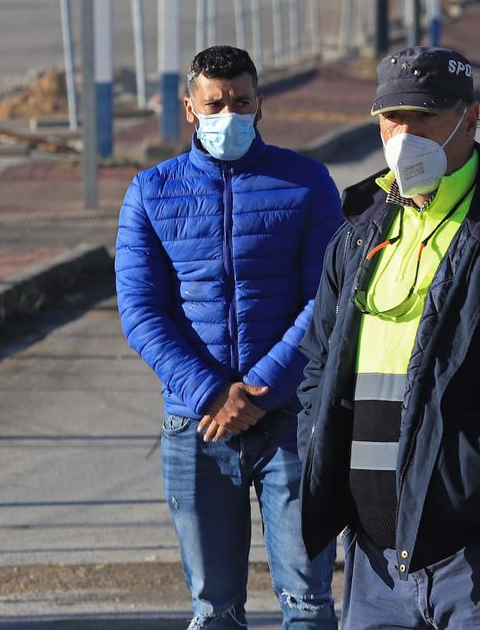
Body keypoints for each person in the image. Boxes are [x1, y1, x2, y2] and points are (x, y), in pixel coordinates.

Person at [297, 45, 480, 630]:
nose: (405, 134)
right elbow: (318, 366)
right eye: (392, 118)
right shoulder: (357, 236)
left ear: (470, 117)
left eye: (424, 117)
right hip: (374, 563)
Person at [116, 45, 341, 630]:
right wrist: (212, 393)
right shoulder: (150, 192)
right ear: (189, 108)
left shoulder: (306, 182)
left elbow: (328, 300)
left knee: (309, 604)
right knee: (213, 610)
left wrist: (260, 386)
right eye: (214, 104)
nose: (229, 115)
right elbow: (141, 312)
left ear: (260, 104)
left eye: (241, 102)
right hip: (196, 426)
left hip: (290, 418)